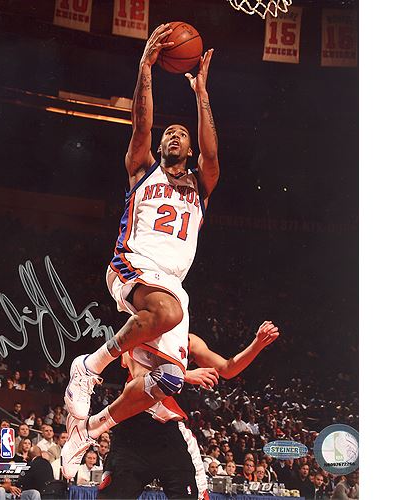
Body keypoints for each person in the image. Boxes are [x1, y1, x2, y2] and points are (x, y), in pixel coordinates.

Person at [62, 22, 220, 476]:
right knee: (167, 312)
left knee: (167, 379)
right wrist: (146, 68)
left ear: (189, 148)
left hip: (172, 283)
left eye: (181, 134)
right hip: (133, 264)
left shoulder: (200, 186)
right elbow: (142, 124)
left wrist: (201, 94)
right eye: (169, 133)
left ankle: (90, 428)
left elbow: (212, 156)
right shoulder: (141, 170)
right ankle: (89, 366)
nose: (174, 136)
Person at [97, 321, 280, 499]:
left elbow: (227, 368)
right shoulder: (138, 331)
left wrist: (257, 344)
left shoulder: (188, 341)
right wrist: (185, 375)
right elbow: (140, 376)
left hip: (168, 433)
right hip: (134, 428)